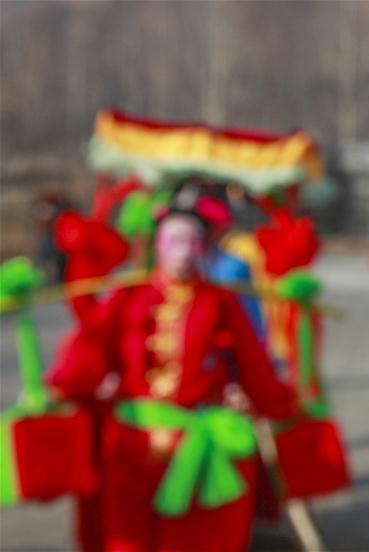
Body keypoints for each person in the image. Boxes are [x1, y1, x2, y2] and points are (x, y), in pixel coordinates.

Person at [49, 194, 297, 552]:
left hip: (195, 443)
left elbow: (253, 364)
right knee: (126, 539)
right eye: (174, 241)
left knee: (192, 541)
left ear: (203, 246)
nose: (183, 251)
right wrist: (61, 388)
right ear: (159, 245)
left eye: (192, 241)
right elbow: (91, 348)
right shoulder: (128, 296)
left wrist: (281, 404)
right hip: (130, 444)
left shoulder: (220, 301)